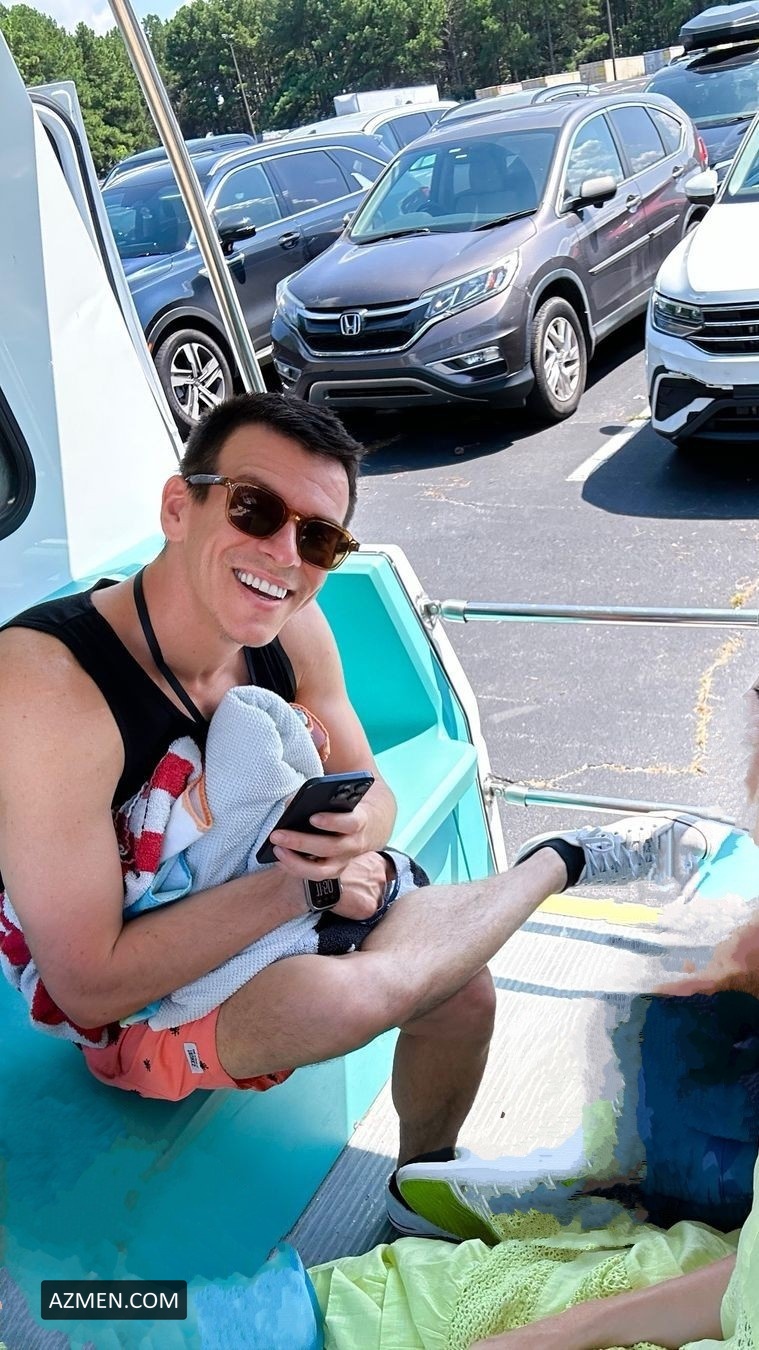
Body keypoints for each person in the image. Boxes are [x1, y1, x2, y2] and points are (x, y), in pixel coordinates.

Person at [0, 391, 731, 1240]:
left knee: (464, 994)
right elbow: (85, 986)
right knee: (342, 1000)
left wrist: (360, 840)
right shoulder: (48, 691)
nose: (284, 555)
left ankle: (420, 1188)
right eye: (254, 508)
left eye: (318, 538)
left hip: (278, 886)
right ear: (177, 507)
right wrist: (307, 888)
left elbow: (371, 791)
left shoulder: (291, 627)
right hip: (135, 1000)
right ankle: (558, 861)